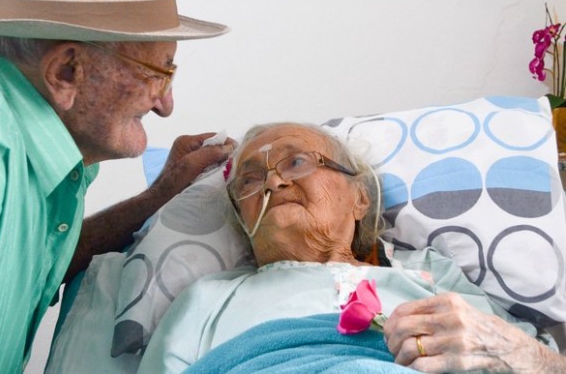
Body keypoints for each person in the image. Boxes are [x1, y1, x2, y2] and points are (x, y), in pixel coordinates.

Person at [0, 0, 235, 372]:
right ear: (67, 71)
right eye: (157, 72)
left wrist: (158, 197)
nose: (167, 104)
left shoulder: (33, 149)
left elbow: (23, 268)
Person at [135, 122, 562, 373]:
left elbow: (532, 362)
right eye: (249, 179)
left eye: (297, 161)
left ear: (359, 198)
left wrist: (517, 352)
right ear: (244, 222)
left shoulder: (430, 275)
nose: (273, 181)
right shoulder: (207, 298)